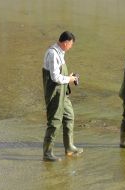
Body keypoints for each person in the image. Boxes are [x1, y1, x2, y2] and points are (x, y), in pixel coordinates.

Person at [42, 31, 83, 161]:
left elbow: (60, 74)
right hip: (55, 93)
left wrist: (70, 76)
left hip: (62, 93)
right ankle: (47, 153)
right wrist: (70, 79)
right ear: (65, 43)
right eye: (70, 44)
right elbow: (54, 77)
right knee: (54, 122)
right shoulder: (53, 54)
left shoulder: (60, 52)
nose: (71, 47)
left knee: (69, 116)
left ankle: (69, 147)